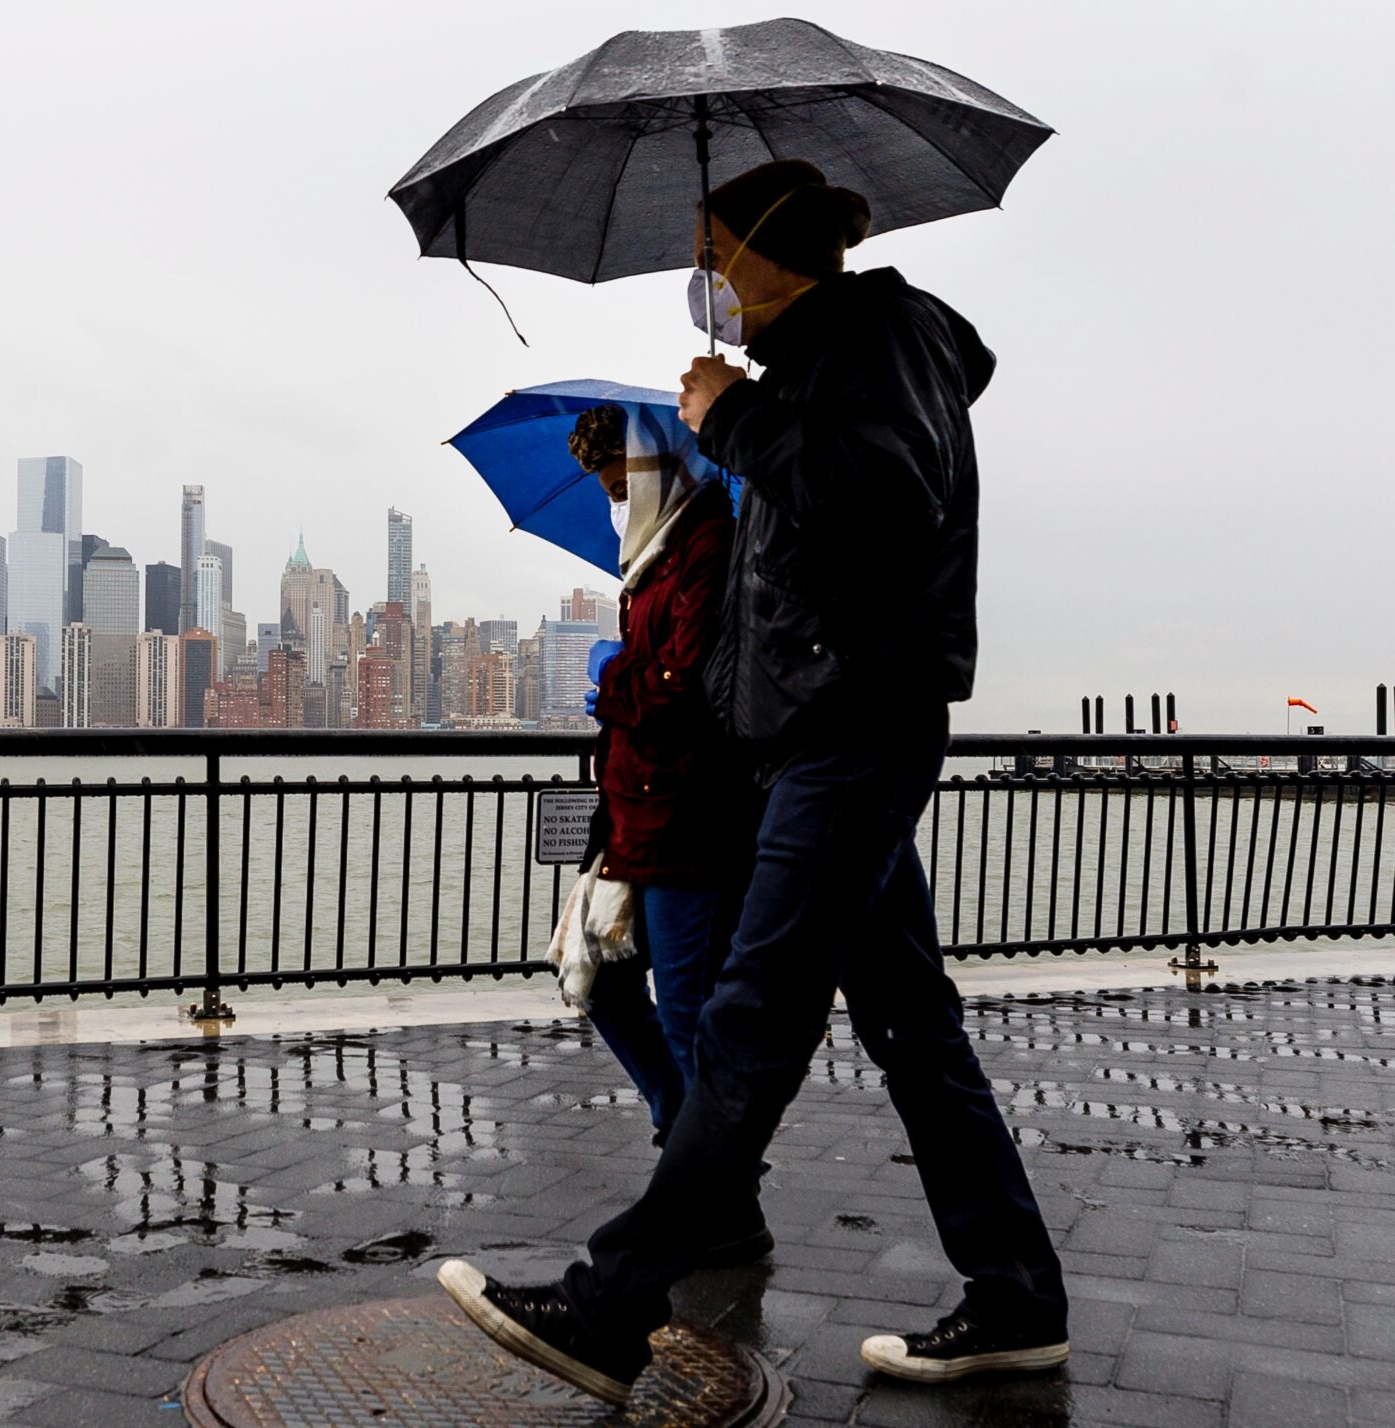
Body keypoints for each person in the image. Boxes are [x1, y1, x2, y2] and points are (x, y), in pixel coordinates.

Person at [440, 159, 1070, 1403]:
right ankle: (1015, 1296)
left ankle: (609, 1307)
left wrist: (731, 417)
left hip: (854, 731)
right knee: (912, 1029)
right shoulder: (829, 364)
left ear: (771, 252)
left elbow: (888, 496)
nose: (705, 276)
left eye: (712, 246)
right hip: (822, 736)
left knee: (748, 1022)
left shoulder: (878, 339)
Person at [558, 406, 756, 1235]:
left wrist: (611, 683)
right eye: (604, 492)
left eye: (617, 486)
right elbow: (658, 672)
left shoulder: (711, 541)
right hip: (635, 815)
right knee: (599, 983)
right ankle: (690, 1147)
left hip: (691, 817)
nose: (612, 505)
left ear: (653, 468)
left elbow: (684, 685)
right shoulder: (652, 556)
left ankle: (720, 1202)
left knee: (687, 1009)